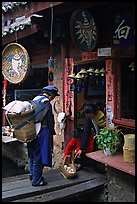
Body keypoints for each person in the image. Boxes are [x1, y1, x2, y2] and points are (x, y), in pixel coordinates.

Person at [27, 85, 60, 186]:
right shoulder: (46, 103)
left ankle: (32, 174)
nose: (53, 98)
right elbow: (50, 121)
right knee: (39, 156)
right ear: (51, 95)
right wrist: (52, 132)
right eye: (54, 96)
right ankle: (36, 181)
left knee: (32, 154)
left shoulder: (33, 101)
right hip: (41, 132)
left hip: (31, 131)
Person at [74, 104, 99, 168]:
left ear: (95, 113)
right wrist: (82, 148)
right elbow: (86, 132)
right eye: (88, 116)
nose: (90, 117)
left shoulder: (102, 116)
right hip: (96, 136)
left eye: (91, 116)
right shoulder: (88, 118)